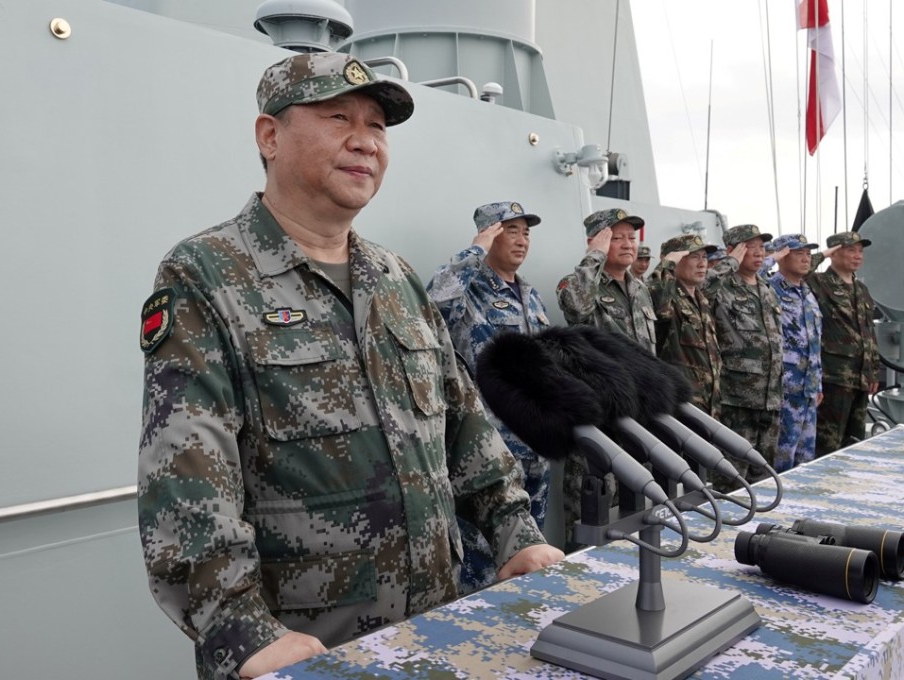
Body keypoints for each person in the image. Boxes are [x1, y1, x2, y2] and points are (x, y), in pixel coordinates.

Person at [136, 52, 562, 680]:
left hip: (434, 631)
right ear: (270, 135)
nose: (364, 142)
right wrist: (241, 632)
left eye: (378, 126)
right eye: (338, 117)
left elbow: (464, 424)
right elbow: (187, 471)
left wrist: (515, 533)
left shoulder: (396, 278)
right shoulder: (205, 274)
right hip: (304, 651)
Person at [426, 201, 551, 594]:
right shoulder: (469, 289)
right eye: (510, 230)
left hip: (534, 444)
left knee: (531, 553)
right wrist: (474, 250)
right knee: (482, 562)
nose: (521, 240)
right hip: (488, 450)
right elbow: (433, 304)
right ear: (490, 235)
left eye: (526, 232)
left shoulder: (530, 295)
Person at [705, 224, 784, 488]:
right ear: (733, 251)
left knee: (763, 475)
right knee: (731, 476)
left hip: (770, 398)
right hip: (736, 398)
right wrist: (728, 263)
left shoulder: (767, 289)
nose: (759, 253)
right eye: (750, 247)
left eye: (762, 247)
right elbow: (700, 289)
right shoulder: (721, 286)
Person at [806, 231, 879, 456]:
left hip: (860, 378)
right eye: (851, 250)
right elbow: (801, 269)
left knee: (856, 442)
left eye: (860, 252)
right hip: (834, 377)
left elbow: (868, 332)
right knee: (828, 444)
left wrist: (874, 371)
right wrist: (824, 254)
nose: (858, 256)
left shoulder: (862, 289)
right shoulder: (820, 282)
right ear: (835, 254)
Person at [556, 208, 656, 354]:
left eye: (632, 238)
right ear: (594, 243)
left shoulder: (641, 289)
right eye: (617, 238)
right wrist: (595, 254)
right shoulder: (575, 284)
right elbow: (577, 309)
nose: (628, 245)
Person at [649, 234, 722, 418]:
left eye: (704, 257)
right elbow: (655, 294)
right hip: (681, 408)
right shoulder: (668, 298)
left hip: (710, 405)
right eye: (693, 257)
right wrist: (667, 264)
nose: (702, 263)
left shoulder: (702, 300)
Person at [767, 233, 823, 471]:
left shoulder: (808, 293)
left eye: (808, 254)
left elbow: (814, 341)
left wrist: (818, 383)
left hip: (808, 389)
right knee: (782, 458)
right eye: (798, 254)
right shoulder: (770, 288)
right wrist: (771, 258)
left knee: (805, 459)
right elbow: (742, 279)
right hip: (784, 389)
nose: (806, 259)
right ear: (782, 257)